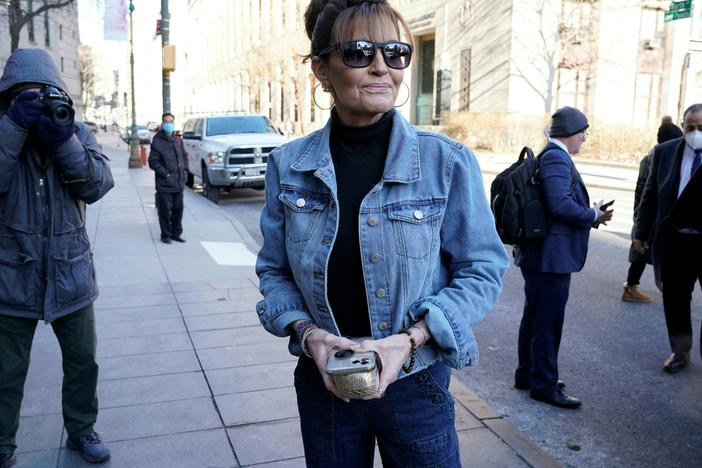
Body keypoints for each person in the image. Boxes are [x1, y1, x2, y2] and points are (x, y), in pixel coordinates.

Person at [255, 1, 509, 465]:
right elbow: (274, 271)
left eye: (396, 52)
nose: (381, 67)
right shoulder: (287, 166)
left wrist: (408, 340)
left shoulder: (446, 162)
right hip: (324, 383)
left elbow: (483, 268)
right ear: (321, 69)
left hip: (415, 384)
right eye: (358, 52)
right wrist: (311, 335)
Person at [0, 49, 114, 467]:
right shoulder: (2, 130)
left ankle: (82, 429)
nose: (38, 104)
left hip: (71, 274)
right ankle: (2, 444)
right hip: (11, 276)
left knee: (83, 363)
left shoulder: (75, 132)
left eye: (43, 95)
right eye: (25, 97)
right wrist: (13, 127)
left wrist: (62, 139)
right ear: (9, 98)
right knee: (5, 372)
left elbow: (97, 185)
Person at [513, 106, 613, 409]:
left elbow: (555, 203)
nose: (584, 138)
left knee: (535, 317)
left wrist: (591, 214)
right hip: (550, 258)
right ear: (570, 133)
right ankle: (543, 384)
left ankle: (528, 375)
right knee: (547, 322)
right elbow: (558, 205)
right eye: (583, 132)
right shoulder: (556, 156)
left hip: (541, 255)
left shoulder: (550, 155)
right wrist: (592, 213)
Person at [634, 103, 702, 373]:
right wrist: (640, 232)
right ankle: (680, 350)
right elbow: (650, 195)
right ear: (683, 126)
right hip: (676, 241)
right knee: (675, 299)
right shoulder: (664, 153)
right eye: (691, 127)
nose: (696, 132)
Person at [622, 119, 682, 302]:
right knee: (647, 251)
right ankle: (631, 288)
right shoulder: (659, 157)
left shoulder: (652, 156)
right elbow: (648, 192)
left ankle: (633, 286)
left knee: (646, 252)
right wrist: (642, 219)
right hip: (652, 216)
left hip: (649, 215)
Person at [148, 112, 189, 244]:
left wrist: (185, 171)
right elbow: (153, 162)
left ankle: (176, 234)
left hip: (178, 183)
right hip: (164, 184)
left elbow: (184, 156)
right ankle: (165, 235)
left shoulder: (177, 139)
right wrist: (165, 173)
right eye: (166, 121)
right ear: (162, 123)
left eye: (171, 121)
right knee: (165, 212)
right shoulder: (157, 141)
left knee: (178, 210)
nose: (169, 124)